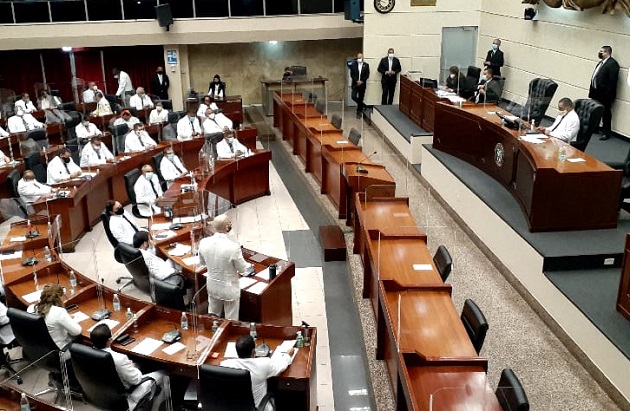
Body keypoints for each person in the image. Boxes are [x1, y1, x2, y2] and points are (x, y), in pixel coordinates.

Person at [90, 324, 169, 411]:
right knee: (164, 373)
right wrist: (134, 367)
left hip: (99, 395)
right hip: (126, 396)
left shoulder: (88, 353)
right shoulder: (119, 359)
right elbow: (136, 380)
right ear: (109, 340)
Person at [198, 214, 252, 319]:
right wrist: (249, 266)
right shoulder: (233, 247)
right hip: (229, 290)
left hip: (213, 286)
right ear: (227, 227)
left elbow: (202, 262)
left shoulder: (203, 243)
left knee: (213, 317)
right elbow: (243, 269)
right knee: (231, 320)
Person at [221, 335, 295, 411]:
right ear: (254, 351)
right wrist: (288, 355)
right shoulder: (263, 364)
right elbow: (280, 366)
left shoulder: (225, 365)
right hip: (259, 408)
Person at [34, 283, 82, 349]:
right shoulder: (59, 312)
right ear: (59, 298)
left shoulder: (34, 308)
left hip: (40, 349)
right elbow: (77, 331)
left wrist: (66, 317)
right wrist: (69, 319)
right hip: (59, 350)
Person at [589, 45, 620, 141]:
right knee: (596, 110)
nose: (600, 53)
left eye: (602, 51)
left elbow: (612, 81)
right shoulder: (601, 63)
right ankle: (595, 128)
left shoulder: (612, 64)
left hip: (605, 94)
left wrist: (609, 95)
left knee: (606, 112)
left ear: (607, 53)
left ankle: (606, 132)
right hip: (596, 91)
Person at [350, 52, 370, 119]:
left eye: (360, 57)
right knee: (353, 96)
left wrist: (362, 81)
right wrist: (356, 81)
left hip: (362, 84)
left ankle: (359, 112)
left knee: (361, 98)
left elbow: (367, 75)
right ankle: (363, 105)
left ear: (363, 58)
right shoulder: (353, 64)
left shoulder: (366, 65)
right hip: (355, 84)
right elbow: (352, 74)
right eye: (358, 58)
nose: (359, 59)